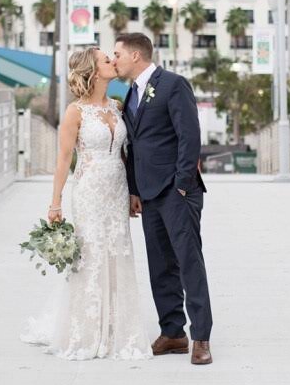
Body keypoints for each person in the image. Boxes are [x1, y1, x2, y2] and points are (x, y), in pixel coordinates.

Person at [20, 47, 153, 361]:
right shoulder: (75, 112)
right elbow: (65, 159)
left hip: (117, 189)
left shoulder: (118, 107)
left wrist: (134, 191)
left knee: (118, 252)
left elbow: (125, 154)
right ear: (92, 70)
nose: (112, 61)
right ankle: (85, 331)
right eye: (106, 59)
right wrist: (55, 204)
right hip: (89, 190)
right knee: (91, 256)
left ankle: (117, 328)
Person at [112, 31, 213, 366]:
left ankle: (201, 337)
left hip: (176, 191)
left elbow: (189, 135)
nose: (115, 60)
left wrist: (183, 185)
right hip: (148, 194)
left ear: (136, 56)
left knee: (188, 261)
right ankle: (173, 332)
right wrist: (134, 189)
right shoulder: (129, 95)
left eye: (118, 54)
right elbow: (133, 147)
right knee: (160, 265)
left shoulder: (172, 84)